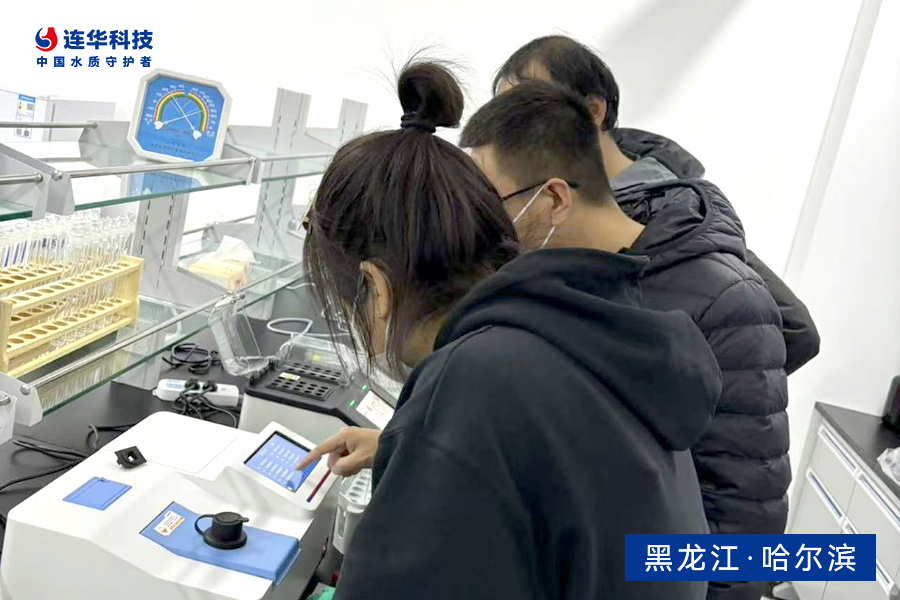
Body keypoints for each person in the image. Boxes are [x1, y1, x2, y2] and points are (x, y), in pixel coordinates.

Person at [299, 60, 722, 600]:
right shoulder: (577, 325)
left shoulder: (471, 382)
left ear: (376, 290)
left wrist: (431, 446)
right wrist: (410, 452)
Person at [458, 79, 788, 600]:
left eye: (491, 206)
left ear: (553, 198)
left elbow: (749, 534)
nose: (484, 228)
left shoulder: (728, 302)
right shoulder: (571, 280)